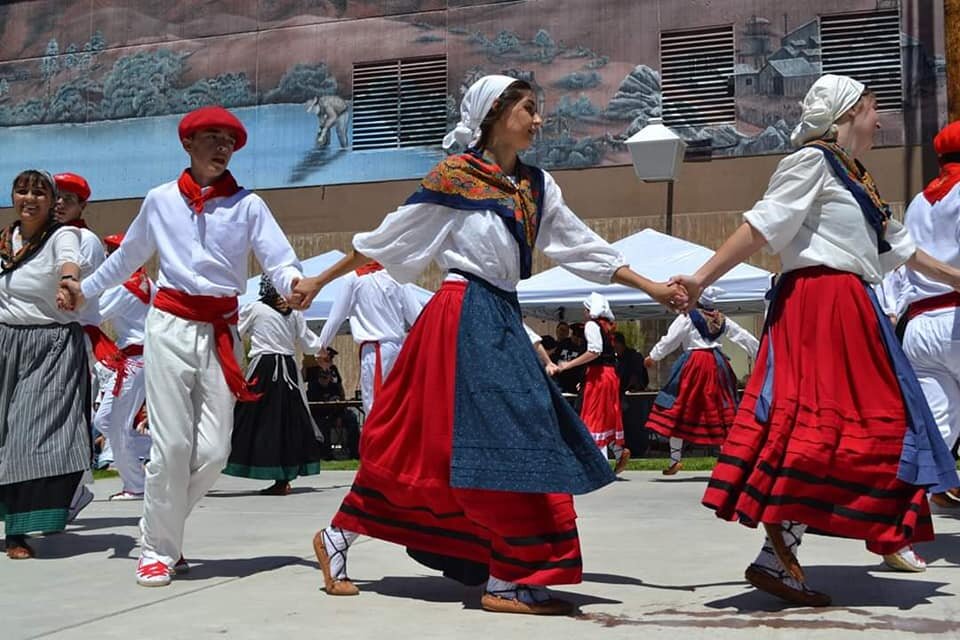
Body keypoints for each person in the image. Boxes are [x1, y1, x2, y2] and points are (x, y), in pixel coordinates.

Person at [291, 75, 683, 615]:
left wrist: (652, 286)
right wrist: (317, 281)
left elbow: (581, 246)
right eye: (529, 108)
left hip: (498, 313)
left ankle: (357, 541)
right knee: (474, 436)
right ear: (496, 113)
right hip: (460, 313)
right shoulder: (457, 176)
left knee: (461, 440)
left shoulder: (538, 186)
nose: (539, 120)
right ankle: (501, 576)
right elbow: (389, 237)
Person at [670, 75, 960, 605]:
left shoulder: (857, 178)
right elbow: (761, 228)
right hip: (820, 303)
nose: (880, 120)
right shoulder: (811, 161)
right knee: (838, 422)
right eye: (874, 109)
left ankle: (779, 551)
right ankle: (790, 540)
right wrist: (700, 279)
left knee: (862, 425)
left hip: (853, 305)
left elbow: (902, 250)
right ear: (847, 114)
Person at [63, 105, 304, 586]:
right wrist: (84, 289)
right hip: (169, 325)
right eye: (212, 137)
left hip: (221, 331)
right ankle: (156, 548)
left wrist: (295, 282)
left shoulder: (248, 205)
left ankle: (159, 527)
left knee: (215, 451)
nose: (221, 147)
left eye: (229, 141)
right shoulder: (159, 200)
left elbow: (280, 259)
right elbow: (127, 258)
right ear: (188, 145)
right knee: (171, 445)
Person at [0, 170, 88, 559]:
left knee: (27, 434)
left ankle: (18, 531)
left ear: (52, 201)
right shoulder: (4, 241)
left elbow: (70, 264)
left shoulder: (62, 235)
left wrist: (68, 282)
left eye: (39, 192)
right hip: (5, 343)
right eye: (22, 191)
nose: (29, 198)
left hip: (49, 345)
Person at [900, 120, 960, 509]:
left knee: (936, 426)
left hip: (918, 326)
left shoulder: (918, 203)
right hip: (956, 315)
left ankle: (902, 516)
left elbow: (900, 264)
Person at [224, 274, 325, 496]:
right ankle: (282, 479)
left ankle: (221, 461)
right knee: (285, 421)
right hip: (287, 371)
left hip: (265, 369)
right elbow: (309, 343)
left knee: (251, 419)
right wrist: (320, 349)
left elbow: (235, 334)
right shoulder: (293, 313)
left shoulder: (256, 309)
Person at [643, 286, 759, 475]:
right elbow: (742, 335)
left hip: (694, 365)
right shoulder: (720, 318)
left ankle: (675, 460)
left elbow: (670, 339)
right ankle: (727, 463)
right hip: (717, 364)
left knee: (677, 408)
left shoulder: (688, 317)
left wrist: (653, 356)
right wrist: (760, 352)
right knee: (721, 412)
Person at [53, 172, 104, 517]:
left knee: (68, 416)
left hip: (73, 335)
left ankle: (72, 491)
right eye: (55, 196)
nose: (58, 204)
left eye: (67, 199)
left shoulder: (83, 240)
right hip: (48, 335)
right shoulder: (50, 236)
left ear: (82, 205)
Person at [91, 233, 153, 500]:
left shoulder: (123, 287)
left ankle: (136, 483)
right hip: (140, 360)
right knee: (106, 420)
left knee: (114, 422)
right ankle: (146, 462)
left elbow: (93, 314)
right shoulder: (148, 283)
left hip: (134, 361)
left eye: (110, 255)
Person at [317, 261, 425, 415]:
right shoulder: (397, 275)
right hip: (400, 351)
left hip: (376, 351)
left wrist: (320, 348)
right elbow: (418, 317)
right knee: (398, 405)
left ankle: (376, 439)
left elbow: (336, 317)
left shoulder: (353, 278)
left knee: (375, 406)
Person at [556, 293, 630, 474]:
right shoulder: (606, 326)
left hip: (599, 376)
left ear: (590, 310)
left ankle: (600, 466)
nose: (584, 312)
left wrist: (568, 365)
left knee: (593, 417)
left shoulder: (591, 325)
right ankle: (618, 452)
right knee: (604, 416)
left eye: (585, 309)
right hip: (609, 376)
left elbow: (594, 352)